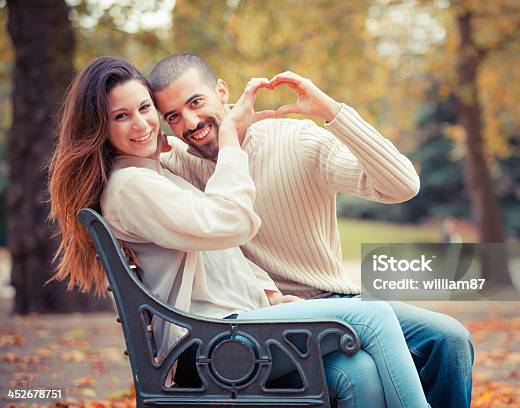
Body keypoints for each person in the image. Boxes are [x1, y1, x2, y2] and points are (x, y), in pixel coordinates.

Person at [48, 56, 432, 408]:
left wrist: (269, 296)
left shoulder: (153, 177)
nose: (142, 124)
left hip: (232, 326)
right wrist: (231, 137)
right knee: (375, 316)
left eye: (145, 109)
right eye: (121, 116)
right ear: (100, 125)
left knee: (361, 369)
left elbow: (220, 259)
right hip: (215, 340)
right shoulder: (133, 186)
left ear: (221, 92)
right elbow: (230, 222)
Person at [152, 53, 474, 407]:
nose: (191, 122)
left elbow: (402, 185)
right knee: (359, 369)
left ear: (222, 91)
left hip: (339, 301)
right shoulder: (177, 166)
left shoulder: (295, 141)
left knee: (450, 339)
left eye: (195, 102)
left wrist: (333, 113)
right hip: (266, 319)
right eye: (173, 116)